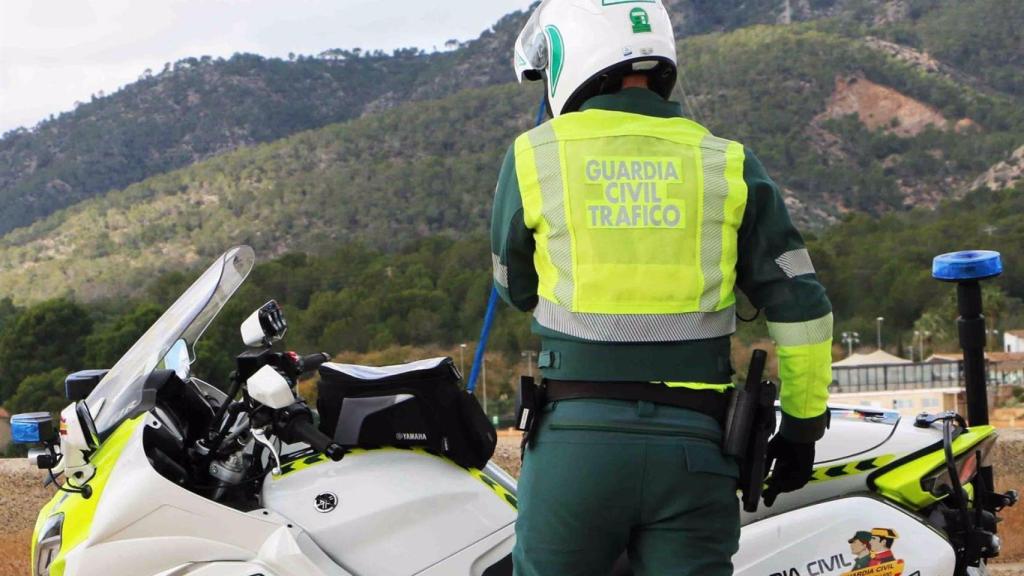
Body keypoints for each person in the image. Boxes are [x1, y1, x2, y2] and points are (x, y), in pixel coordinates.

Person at [491, 1, 833, 574]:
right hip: (697, 448)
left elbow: (515, 287)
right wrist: (801, 430)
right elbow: (802, 308)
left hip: (576, 446)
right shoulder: (728, 162)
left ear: (568, 57)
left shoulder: (533, 156)